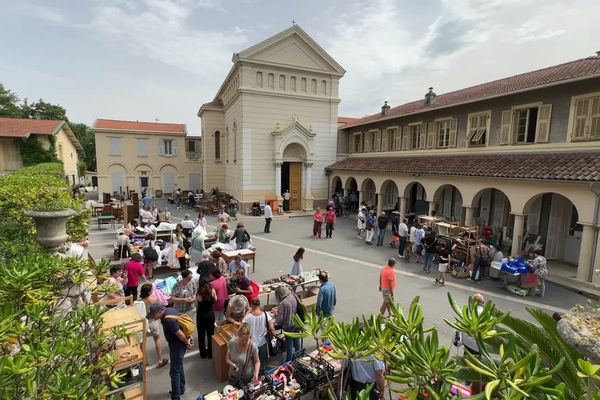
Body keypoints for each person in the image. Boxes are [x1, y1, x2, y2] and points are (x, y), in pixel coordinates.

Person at [146, 304, 193, 400]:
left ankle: (176, 396)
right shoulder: (170, 310)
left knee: (174, 372)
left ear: (160, 312)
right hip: (177, 344)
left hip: (177, 346)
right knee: (179, 367)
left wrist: (186, 342)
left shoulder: (168, 320)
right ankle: (181, 389)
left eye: (154, 315)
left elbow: (179, 334)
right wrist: (188, 338)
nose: (153, 318)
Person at [243, 298, 276, 377]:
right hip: (263, 342)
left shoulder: (248, 317)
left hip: (252, 343)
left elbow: (242, 328)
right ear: (259, 305)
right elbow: (272, 328)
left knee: (252, 361)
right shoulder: (265, 314)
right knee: (262, 361)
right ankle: (262, 376)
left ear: (251, 305)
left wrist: (247, 313)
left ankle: (253, 376)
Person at [139, 284, 169, 368]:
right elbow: (159, 308)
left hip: (144, 322)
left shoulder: (139, 301)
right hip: (153, 321)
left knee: (142, 342)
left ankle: (144, 361)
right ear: (149, 292)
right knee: (157, 339)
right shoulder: (153, 299)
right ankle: (160, 360)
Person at [274, 286, 300, 361]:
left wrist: (276, 315)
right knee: (296, 339)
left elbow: (280, 319)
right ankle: (298, 356)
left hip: (288, 325)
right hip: (297, 321)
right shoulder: (292, 295)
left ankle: (289, 359)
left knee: (289, 342)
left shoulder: (282, 303)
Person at [196, 278, 216, 359]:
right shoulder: (212, 291)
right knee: (210, 334)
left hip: (201, 315)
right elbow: (215, 300)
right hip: (210, 314)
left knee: (201, 335)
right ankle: (211, 353)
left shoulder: (199, 293)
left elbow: (196, 305)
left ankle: (203, 353)